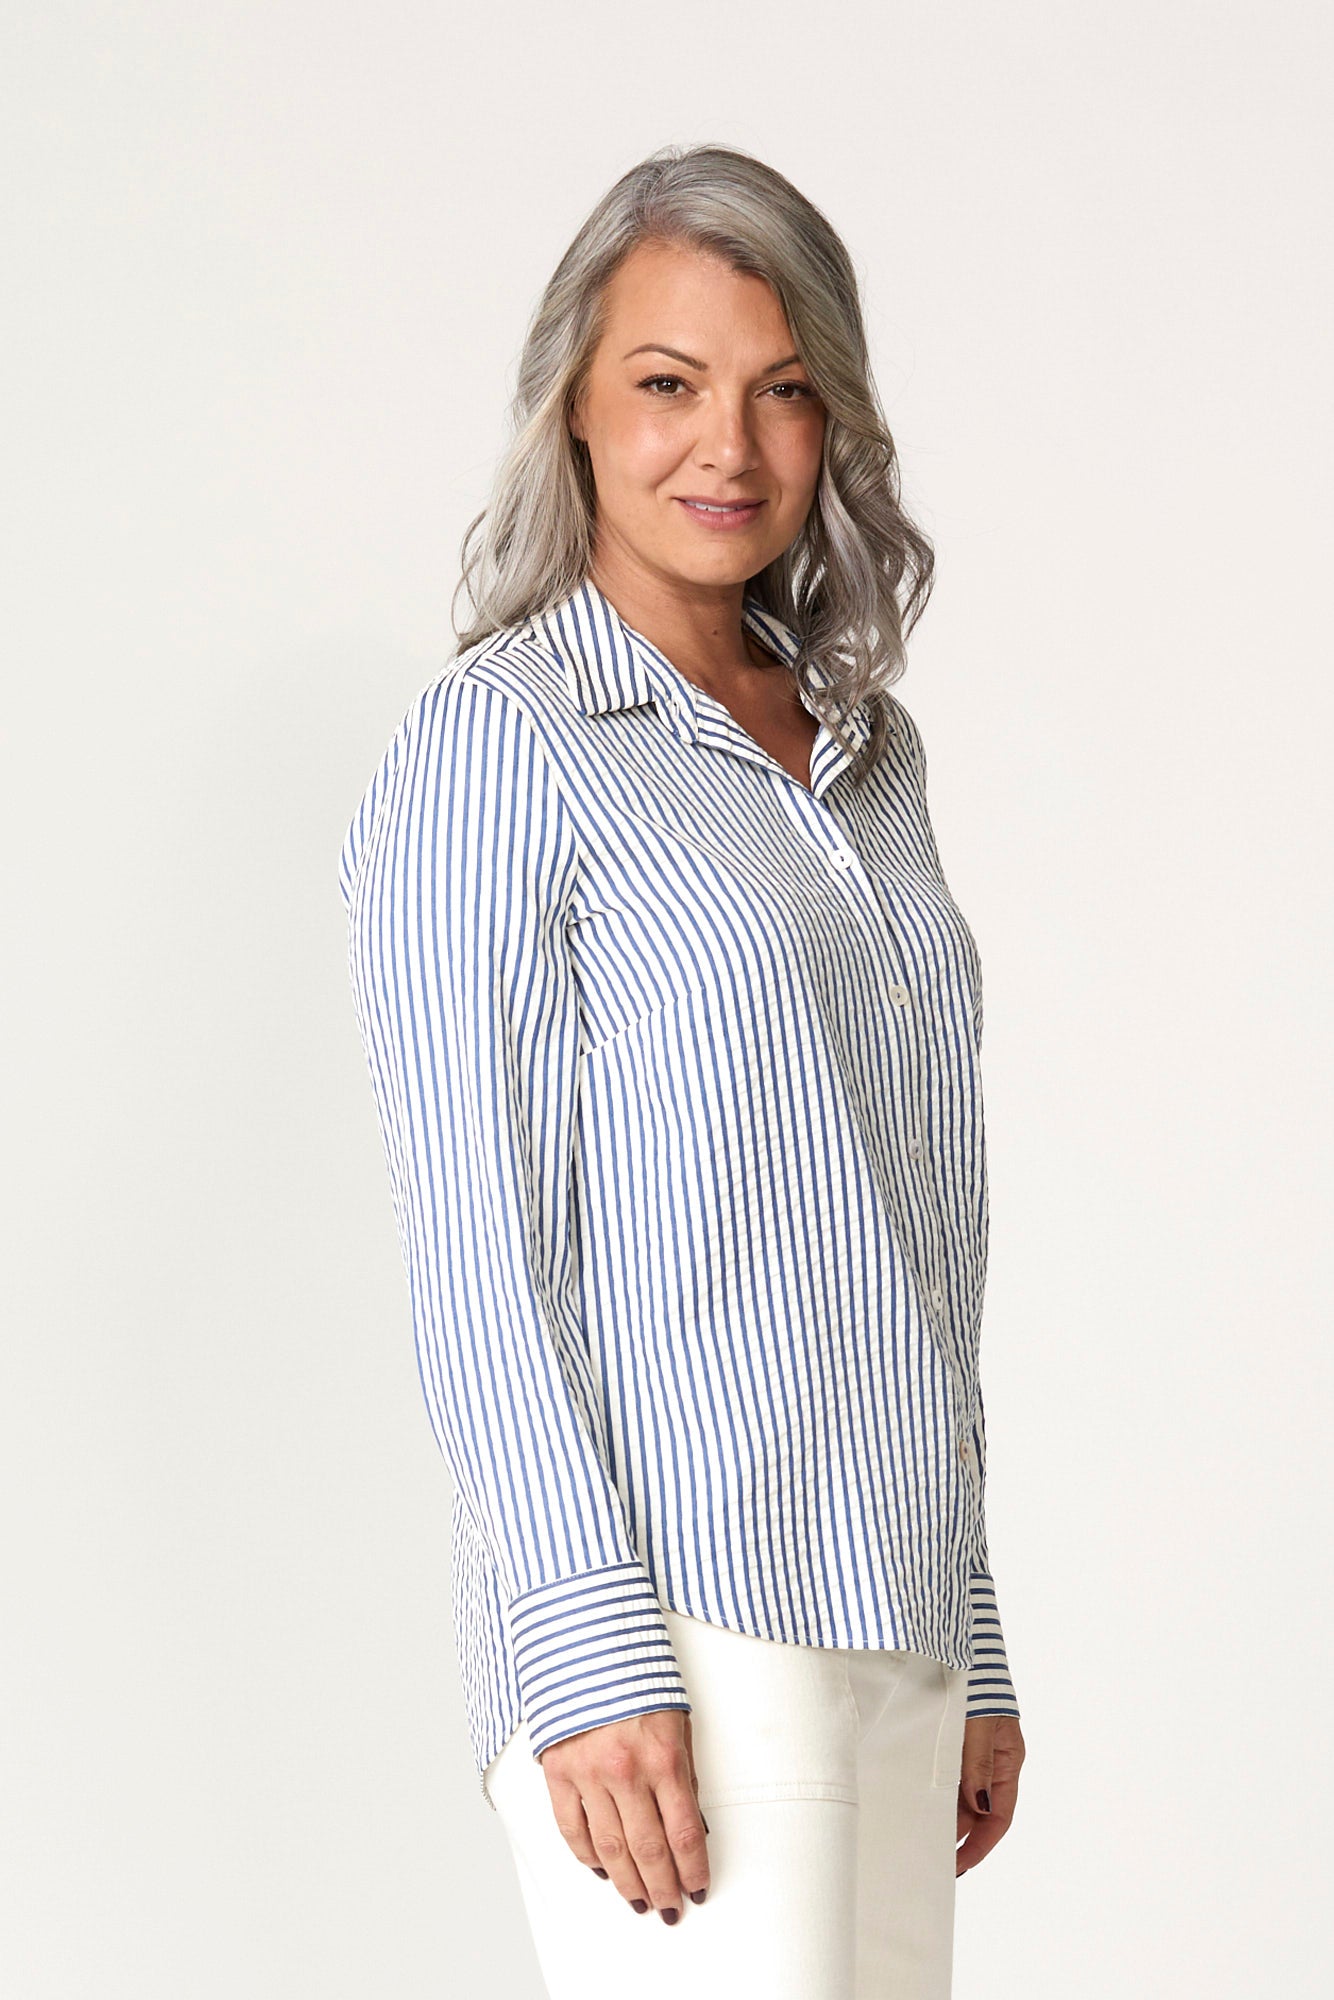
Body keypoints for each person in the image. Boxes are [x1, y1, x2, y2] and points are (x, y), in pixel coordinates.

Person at [338, 141, 1025, 1998]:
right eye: (667, 383)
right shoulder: (500, 747)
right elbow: (477, 1236)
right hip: (682, 1632)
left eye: (782, 390)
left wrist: (969, 1623)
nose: (727, 445)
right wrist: (580, 1645)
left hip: (893, 1621)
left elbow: (907, 1221)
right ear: (572, 402)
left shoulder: (866, 759)